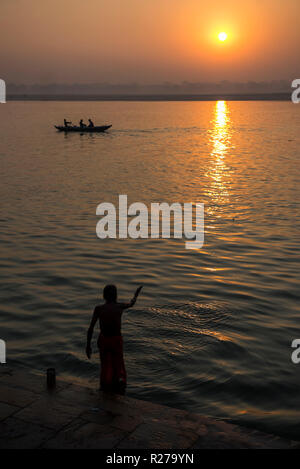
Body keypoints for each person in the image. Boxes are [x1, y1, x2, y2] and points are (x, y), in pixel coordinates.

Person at [86, 285, 143, 393]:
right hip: (116, 340)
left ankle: (104, 386)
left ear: (104, 296)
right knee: (117, 364)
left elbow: (90, 329)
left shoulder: (99, 309)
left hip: (104, 340)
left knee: (105, 364)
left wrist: (88, 346)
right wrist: (136, 295)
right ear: (116, 296)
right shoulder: (119, 306)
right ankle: (117, 386)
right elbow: (132, 303)